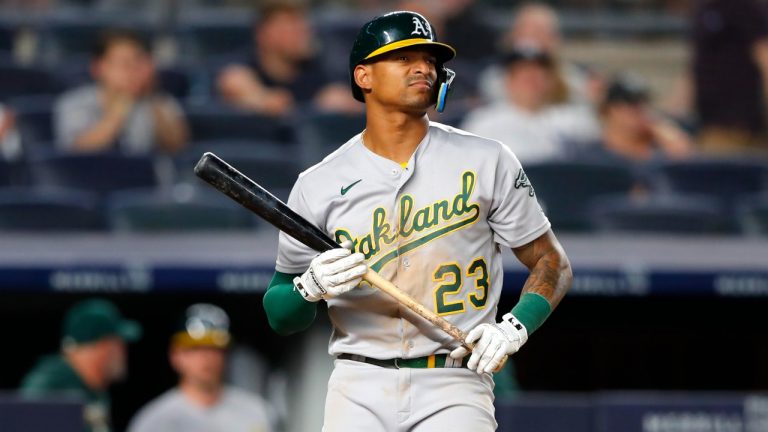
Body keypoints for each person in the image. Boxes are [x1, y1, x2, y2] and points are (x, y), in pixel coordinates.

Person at [262, 11, 572, 431]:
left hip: (455, 379)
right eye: (404, 57)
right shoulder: (319, 183)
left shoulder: (487, 159)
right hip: (358, 381)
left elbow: (551, 262)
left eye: (429, 59)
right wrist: (308, 287)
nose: (423, 67)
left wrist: (514, 328)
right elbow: (281, 315)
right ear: (364, 76)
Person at [127, 303, 272, 432]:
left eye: (215, 348)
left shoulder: (257, 412)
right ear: (175, 355)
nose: (206, 357)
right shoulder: (153, 421)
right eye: (195, 348)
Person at [54, 30, 188, 155]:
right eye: (123, 63)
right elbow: (78, 152)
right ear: (98, 67)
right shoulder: (73, 102)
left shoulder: (160, 100)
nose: (132, 70)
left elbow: (178, 148)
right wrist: (122, 105)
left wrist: (151, 97)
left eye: (137, 61)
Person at [461, 44, 600, 163]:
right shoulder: (483, 121)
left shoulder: (577, 121)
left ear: (551, 81)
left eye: (539, 73)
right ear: (508, 81)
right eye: (523, 72)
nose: (532, 78)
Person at [20, 298, 142, 432]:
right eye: (117, 345)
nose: (123, 354)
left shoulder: (94, 388)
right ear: (98, 346)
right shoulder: (48, 390)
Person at [216, 1, 358, 116]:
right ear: (263, 33)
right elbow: (233, 81)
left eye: (303, 24)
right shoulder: (244, 67)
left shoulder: (319, 68)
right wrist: (260, 100)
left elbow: (345, 97)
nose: (302, 32)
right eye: (290, 26)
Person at [690, 0, 768, 153]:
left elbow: (764, 57)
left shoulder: (744, 6)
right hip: (711, 120)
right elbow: (695, 67)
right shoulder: (703, 8)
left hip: (739, 124)